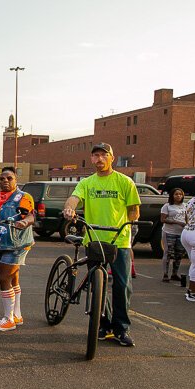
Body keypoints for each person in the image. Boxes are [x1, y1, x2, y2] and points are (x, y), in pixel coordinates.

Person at [64, 142, 141, 346]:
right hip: (94, 240)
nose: (99, 159)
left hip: (119, 241)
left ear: (111, 158)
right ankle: (103, 324)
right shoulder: (87, 183)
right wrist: (69, 209)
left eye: (103, 155)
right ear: (91, 159)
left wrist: (131, 222)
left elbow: (134, 210)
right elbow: (74, 198)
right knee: (96, 285)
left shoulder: (125, 182)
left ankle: (121, 328)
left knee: (123, 286)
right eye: (95, 155)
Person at [0, 166, 35, 331]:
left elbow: (30, 215)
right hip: (2, 243)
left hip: (16, 243)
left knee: (4, 277)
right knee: (13, 278)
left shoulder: (23, 197)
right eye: (2, 178)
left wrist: (24, 222)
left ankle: (8, 319)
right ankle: (17, 315)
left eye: (9, 178)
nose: (5, 181)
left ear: (15, 180)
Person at [160, 188, 187, 283]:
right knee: (168, 253)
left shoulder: (185, 206)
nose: (178, 196)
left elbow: (187, 219)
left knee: (179, 254)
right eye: (176, 194)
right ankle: (165, 274)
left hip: (181, 233)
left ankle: (174, 273)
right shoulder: (167, 206)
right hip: (169, 232)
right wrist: (177, 222)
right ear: (172, 195)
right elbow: (163, 219)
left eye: (180, 194)